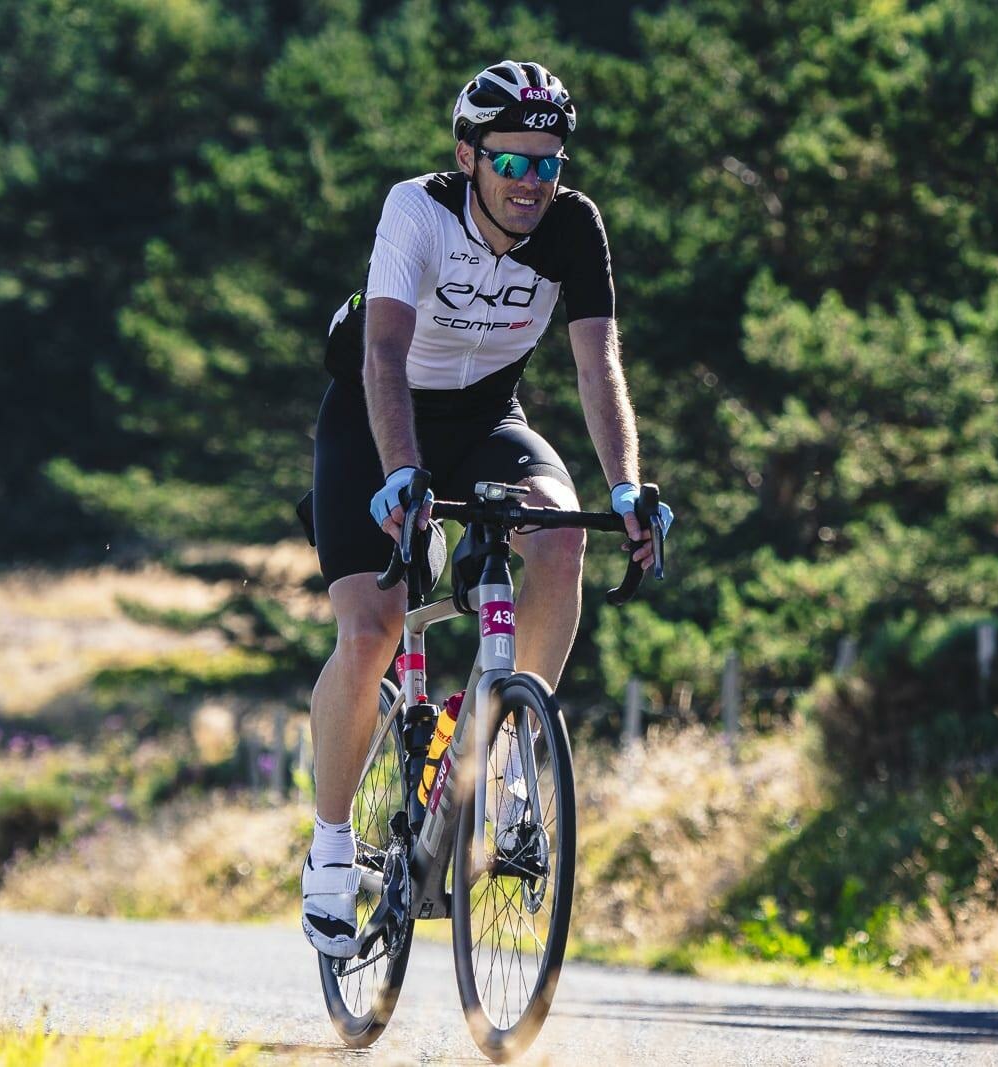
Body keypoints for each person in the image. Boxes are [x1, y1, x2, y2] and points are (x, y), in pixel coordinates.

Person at [301, 60, 672, 957]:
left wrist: (627, 485)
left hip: (487, 417)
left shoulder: (573, 225)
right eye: (511, 162)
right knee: (372, 627)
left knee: (560, 536)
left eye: (548, 163)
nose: (531, 182)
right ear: (469, 155)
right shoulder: (418, 209)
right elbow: (383, 356)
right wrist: (402, 473)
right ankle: (331, 845)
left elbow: (597, 365)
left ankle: (506, 766)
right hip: (376, 416)